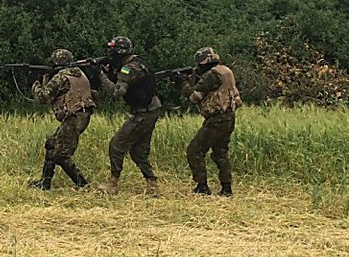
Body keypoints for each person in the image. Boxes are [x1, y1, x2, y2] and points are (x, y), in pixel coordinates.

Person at [96, 36, 161, 196]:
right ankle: (152, 184)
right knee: (138, 151)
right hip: (152, 109)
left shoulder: (129, 68)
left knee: (116, 145)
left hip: (143, 113)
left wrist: (100, 75)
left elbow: (117, 92)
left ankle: (113, 183)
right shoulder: (139, 62)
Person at [177, 47, 242, 196]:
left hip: (216, 119)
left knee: (195, 150)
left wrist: (183, 84)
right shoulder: (226, 71)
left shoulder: (211, 75)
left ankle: (202, 187)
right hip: (229, 117)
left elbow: (195, 97)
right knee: (220, 153)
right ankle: (226, 188)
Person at [29, 49, 95, 190]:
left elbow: (42, 98)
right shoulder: (78, 73)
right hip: (81, 115)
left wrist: (34, 83)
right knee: (52, 144)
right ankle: (45, 183)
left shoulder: (61, 77)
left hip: (73, 117)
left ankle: (83, 185)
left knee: (60, 155)